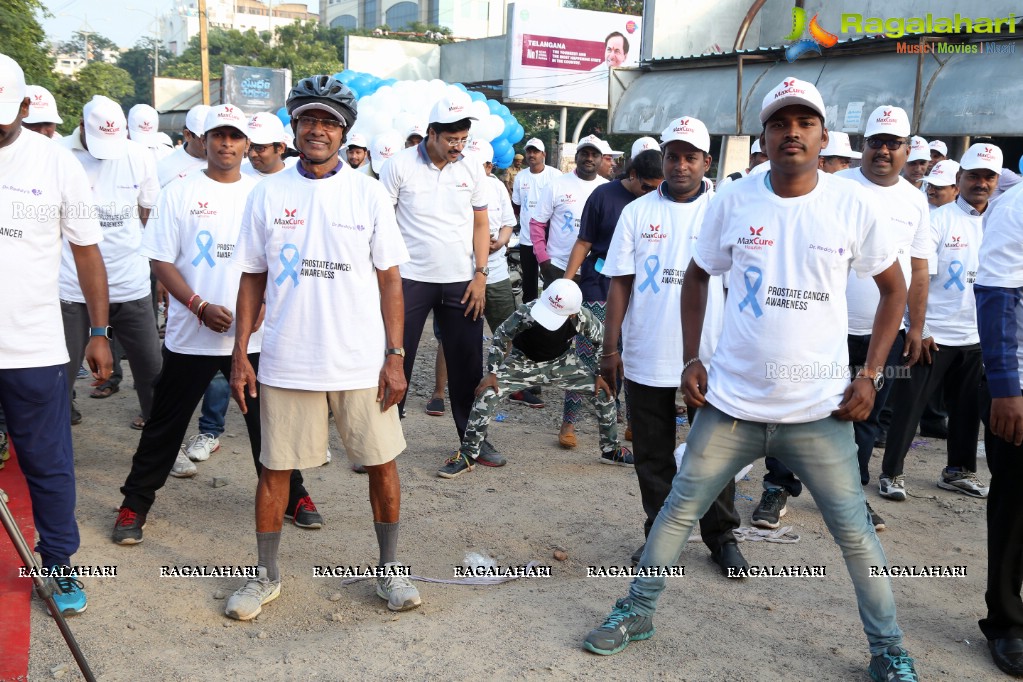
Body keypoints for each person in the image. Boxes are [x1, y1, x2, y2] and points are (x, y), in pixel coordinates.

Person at [584, 77, 920, 682]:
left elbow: (893, 289)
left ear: (821, 136)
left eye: (804, 122)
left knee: (854, 533)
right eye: (779, 123)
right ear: (763, 138)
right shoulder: (732, 203)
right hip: (732, 404)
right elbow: (696, 277)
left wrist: (871, 373)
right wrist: (693, 357)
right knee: (679, 509)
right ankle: (637, 610)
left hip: (818, 410)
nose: (792, 132)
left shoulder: (852, 206)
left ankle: (888, 650)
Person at [227, 75, 419, 619]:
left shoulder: (369, 192)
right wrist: (242, 353)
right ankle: (264, 578)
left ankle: (389, 572)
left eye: (330, 122)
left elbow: (390, 280)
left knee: (382, 463)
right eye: (309, 119)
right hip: (288, 359)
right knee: (274, 471)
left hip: (359, 361)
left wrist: (396, 355)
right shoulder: (267, 192)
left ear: (345, 131)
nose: (318, 130)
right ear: (294, 127)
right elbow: (251, 277)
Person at [754, 105, 932, 532]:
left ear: (907, 150)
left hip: (882, 334)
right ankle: (778, 486)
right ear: (862, 147)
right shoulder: (833, 187)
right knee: (793, 405)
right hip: (820, 328)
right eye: (876, 143)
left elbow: (920, 268)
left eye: (893, 144)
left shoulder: (915, 201)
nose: (884, 151)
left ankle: (851, 494)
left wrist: (917, 327)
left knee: (865, 415)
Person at [599, 115, 747, 573]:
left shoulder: (725, 211)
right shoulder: (638, 212)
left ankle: (721, 536)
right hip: (646, 351)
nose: (680, 165)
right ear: (662, 159)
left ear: (707, 161)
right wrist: (609, 350)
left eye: (690, 157)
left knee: (715, 451)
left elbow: (742, 286)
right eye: (672, 156)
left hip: (711, 356)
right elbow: (620, 284)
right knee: (652, 453)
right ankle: (659, 536)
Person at [0, 52, 113, 615]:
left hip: (34, 346)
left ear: (24, 105)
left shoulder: (54, 163)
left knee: (47, 462)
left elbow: (87, 252)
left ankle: (60, 565)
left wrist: (98, 330)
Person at [879, 143, 1002, 502]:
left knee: (965, 412)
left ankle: (958, 471)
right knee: (909, 407)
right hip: (933, 336)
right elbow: (913, 279)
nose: (981, 183)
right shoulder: (938, 220)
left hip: (975, 336)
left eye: (988, 176)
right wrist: (920, 328)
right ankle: (892, 473)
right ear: (960, 177)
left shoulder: (999, 221)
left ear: (996, 180)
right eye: (974, 175)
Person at [380, 91, 491, 450]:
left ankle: (473, 441)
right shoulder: (398, 165)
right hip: (409, 279)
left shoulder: (472, 166)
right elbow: (382, 224)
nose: (458, 147)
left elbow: (480, 224)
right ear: (431, 133)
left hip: (462, 280)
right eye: (451, 140)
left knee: (468, 364)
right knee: (397, 358)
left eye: (463, 139)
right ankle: (381, 443)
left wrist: (481, 274)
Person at [438, 279, 632, 478]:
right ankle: (469, 453)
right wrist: (492, 372)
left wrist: (599, 375)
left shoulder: (582, 317)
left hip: (563, 363)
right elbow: (501, 335)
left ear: (573, 313)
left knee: (605, 393)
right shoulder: (527, 311)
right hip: (523, 362)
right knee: (486, 393)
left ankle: (611, 450)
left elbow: (601, 341)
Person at [58, 95, 163, 431]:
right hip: (73, 287)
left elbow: (150, 215)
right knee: (59, 373)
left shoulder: (138, 156)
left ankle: (160, 439)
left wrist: (160, 271)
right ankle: (51, 447)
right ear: (81, 127)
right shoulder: (58, 155)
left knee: (151, 369)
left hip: (128, 283)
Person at [562, 150, 663, 446]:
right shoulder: (603, 196)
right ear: (632, 176)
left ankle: (632, 422)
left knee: (632, 356)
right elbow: (584, 241)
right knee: (586, 354)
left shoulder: (662, 202)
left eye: (659, 187)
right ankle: (568, 424)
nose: (653, 193)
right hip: (599, 282)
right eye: (647, 187)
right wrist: (567, 284)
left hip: (644, 288)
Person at [974, 178, 1023, 679]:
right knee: (1015, 504)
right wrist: (1008, 388)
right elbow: (996, 294)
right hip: (1020, 388)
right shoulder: (1017, 207)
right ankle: (1008, 622)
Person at [530, 135, 608, 446]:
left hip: (594, 277)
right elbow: (537, 225)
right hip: (558, 273)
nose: (589, 158)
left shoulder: (605, 190)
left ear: (602, 159)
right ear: (577, 157)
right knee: (553, 337)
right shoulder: (557, 185)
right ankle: (535, 388)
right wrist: (544, 262)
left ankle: (601, 419)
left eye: (594, 154)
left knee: (590, 346)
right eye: (584, 153)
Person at [512, 137, 560, 305]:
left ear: (543, 154)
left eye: (535, 151)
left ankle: (550, 317)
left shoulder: (555, 175)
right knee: (529, 285)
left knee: (551, 281)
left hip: (550, 239)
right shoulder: (520, 177)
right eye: (529, 151)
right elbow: (516, 205)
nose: (531, 155)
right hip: (527, 239)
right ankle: (528, 321)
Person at [157, 104, 208, 187]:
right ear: (187, 135)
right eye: (204, 139)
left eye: (216, 136)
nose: (211, 143)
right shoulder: (163, 169)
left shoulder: (228, 163)